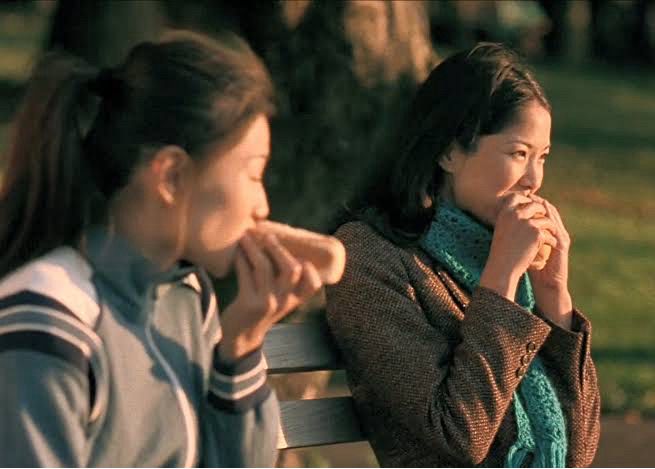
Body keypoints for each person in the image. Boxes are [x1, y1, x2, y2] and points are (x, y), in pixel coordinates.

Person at [0, 31, 324, 467]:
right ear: (171, 176)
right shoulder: (48, 321)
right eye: (252, 174)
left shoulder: (188, 298)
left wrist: (242, 345)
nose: (262, 206)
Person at [325, 43, 600, 467]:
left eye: (542, 157)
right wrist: (502, 276)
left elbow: (578, 452)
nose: (534, 180)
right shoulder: (369, 259)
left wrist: (554, 295)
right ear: (449, 151)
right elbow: (458, 434)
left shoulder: (500, 254)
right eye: (519, 153)